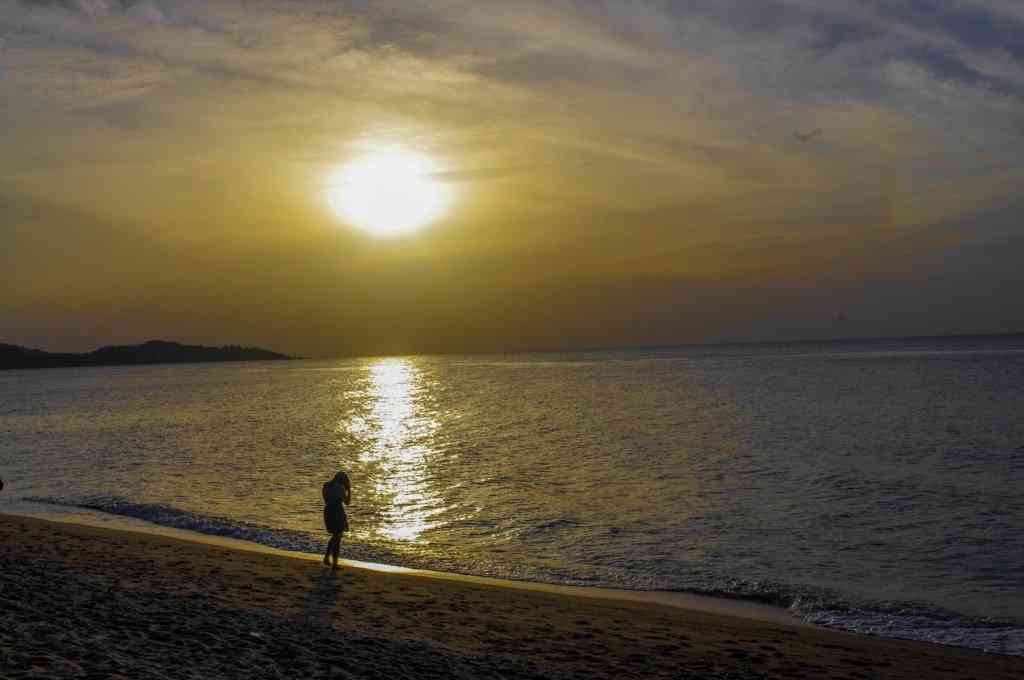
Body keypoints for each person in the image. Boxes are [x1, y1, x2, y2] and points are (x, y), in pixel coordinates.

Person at [322, 471, 351, 570]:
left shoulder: (326, 486)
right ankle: (328, 558)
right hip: (337, 511)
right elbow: (347, 502)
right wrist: (349, 489)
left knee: (336, 537)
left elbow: (326, 499)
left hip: (328, 511)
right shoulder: (341, 488)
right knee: (337, 536)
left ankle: (333, 562)